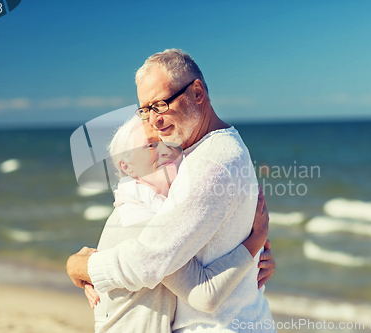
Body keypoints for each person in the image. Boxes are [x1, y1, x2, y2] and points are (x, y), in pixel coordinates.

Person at [67, 49, 276, 332]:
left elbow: (146, 262)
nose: (153, 120)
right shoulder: (209, 151)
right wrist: (253, 250)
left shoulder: (210, 163)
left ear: (198, 92)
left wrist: (78, 266)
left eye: (160, 105)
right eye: (145, 110)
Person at [82, 115, 272, 332]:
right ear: (127, 166)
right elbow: (204, 294)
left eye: (167, 141)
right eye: (150, 145)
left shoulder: (164, 209)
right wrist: (256, 240)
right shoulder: (138, 219)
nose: (164, 149)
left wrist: (258, 260)